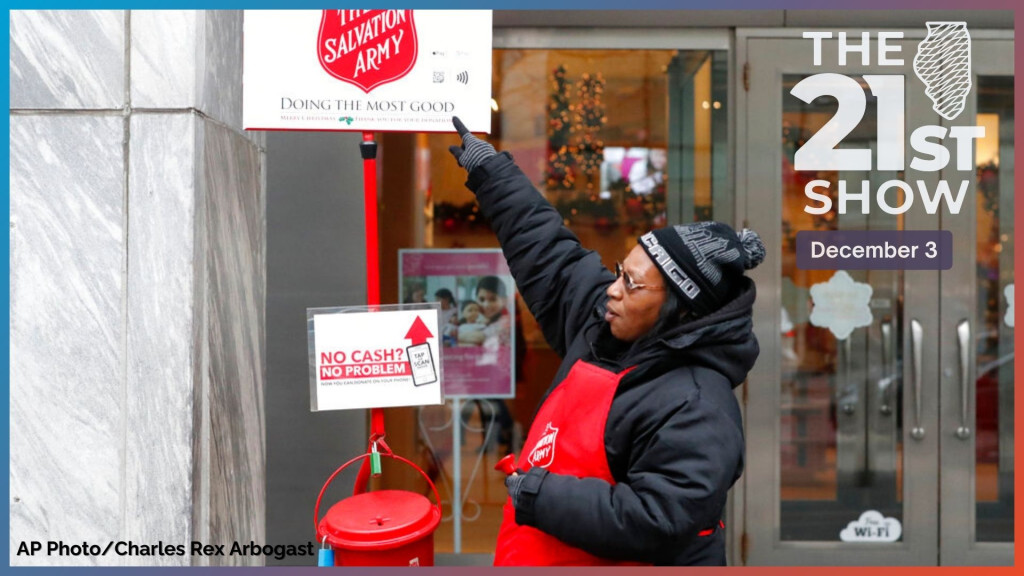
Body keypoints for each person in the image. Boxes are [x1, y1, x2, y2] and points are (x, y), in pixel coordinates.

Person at [448, 116, 764, 566]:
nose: (613, 290)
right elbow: (552, 257)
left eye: (633, 285)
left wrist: (541, 495)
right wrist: (492, 174)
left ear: (682, 310)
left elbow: (657, 518)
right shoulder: (606, 324)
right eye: (620, 271)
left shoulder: (699, 404)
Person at [457, 276, 511, 348]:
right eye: (481, 299)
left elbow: (480, 337)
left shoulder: (506, 321)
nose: (486, 305)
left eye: (493, 299)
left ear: (504, 300)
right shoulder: (481, 320)